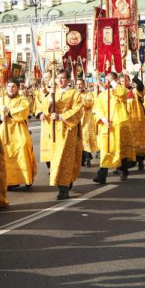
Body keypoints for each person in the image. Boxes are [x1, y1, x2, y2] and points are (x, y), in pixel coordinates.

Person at [42, 70, 83, 200]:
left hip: (67, 130)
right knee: (55, 159)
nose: (60, 80)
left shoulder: (74, 94)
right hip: (54, 130)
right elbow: (46, 111)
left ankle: (63, 189)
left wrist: (61, 116)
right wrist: (50, 100)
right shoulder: (53, 93)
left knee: (64, 158)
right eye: (58, 78)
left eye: (63, 78)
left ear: (69, 80)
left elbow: (77, 111)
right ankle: (64, 182)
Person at [92, 72, 135, 184]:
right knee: (106, 150)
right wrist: (104, 119)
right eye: (107, 79)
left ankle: (123, 171)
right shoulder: (102, 95)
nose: (108, 81)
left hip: (120, 126)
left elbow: (122, 94)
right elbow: (97, 109)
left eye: (111, 80)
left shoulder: (122, 91)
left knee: (120, 150)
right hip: (106, 127)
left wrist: (113, 81)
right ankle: (102, 175)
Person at [0, 79, 37, 190]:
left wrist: (9, 111)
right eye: (9, 86)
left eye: (13, 86)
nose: (11, 88)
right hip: (4, 130)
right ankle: (10, 181)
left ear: (17, 88)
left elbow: (24, 111)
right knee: (5, 154)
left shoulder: (22, 99)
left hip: (18, 130)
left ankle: (26, 178)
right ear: (6, 87)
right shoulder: (0, 100)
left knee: (23, 148)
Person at [123, 75, 145, 171]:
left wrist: (137, 80)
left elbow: (141, 88)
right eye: (121, 81)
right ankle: (122, 166)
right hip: (123, 122)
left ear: (129, 81)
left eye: (125, 80)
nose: (123, 83)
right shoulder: (117, 93)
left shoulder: (134, 91)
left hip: (136, 121)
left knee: (138, 143)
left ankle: (140, 160)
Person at [75, 78, 98, 167]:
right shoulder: (74, 94)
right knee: (78, 139)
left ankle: (87, 157)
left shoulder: (89, 94)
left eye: (80, 84)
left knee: (86, 139)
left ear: (84, 85)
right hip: (76, 119)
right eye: (77, 84)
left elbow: (89, 103)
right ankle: (81, 159)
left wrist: (80, 100)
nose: (79, 86)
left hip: (86, 119)